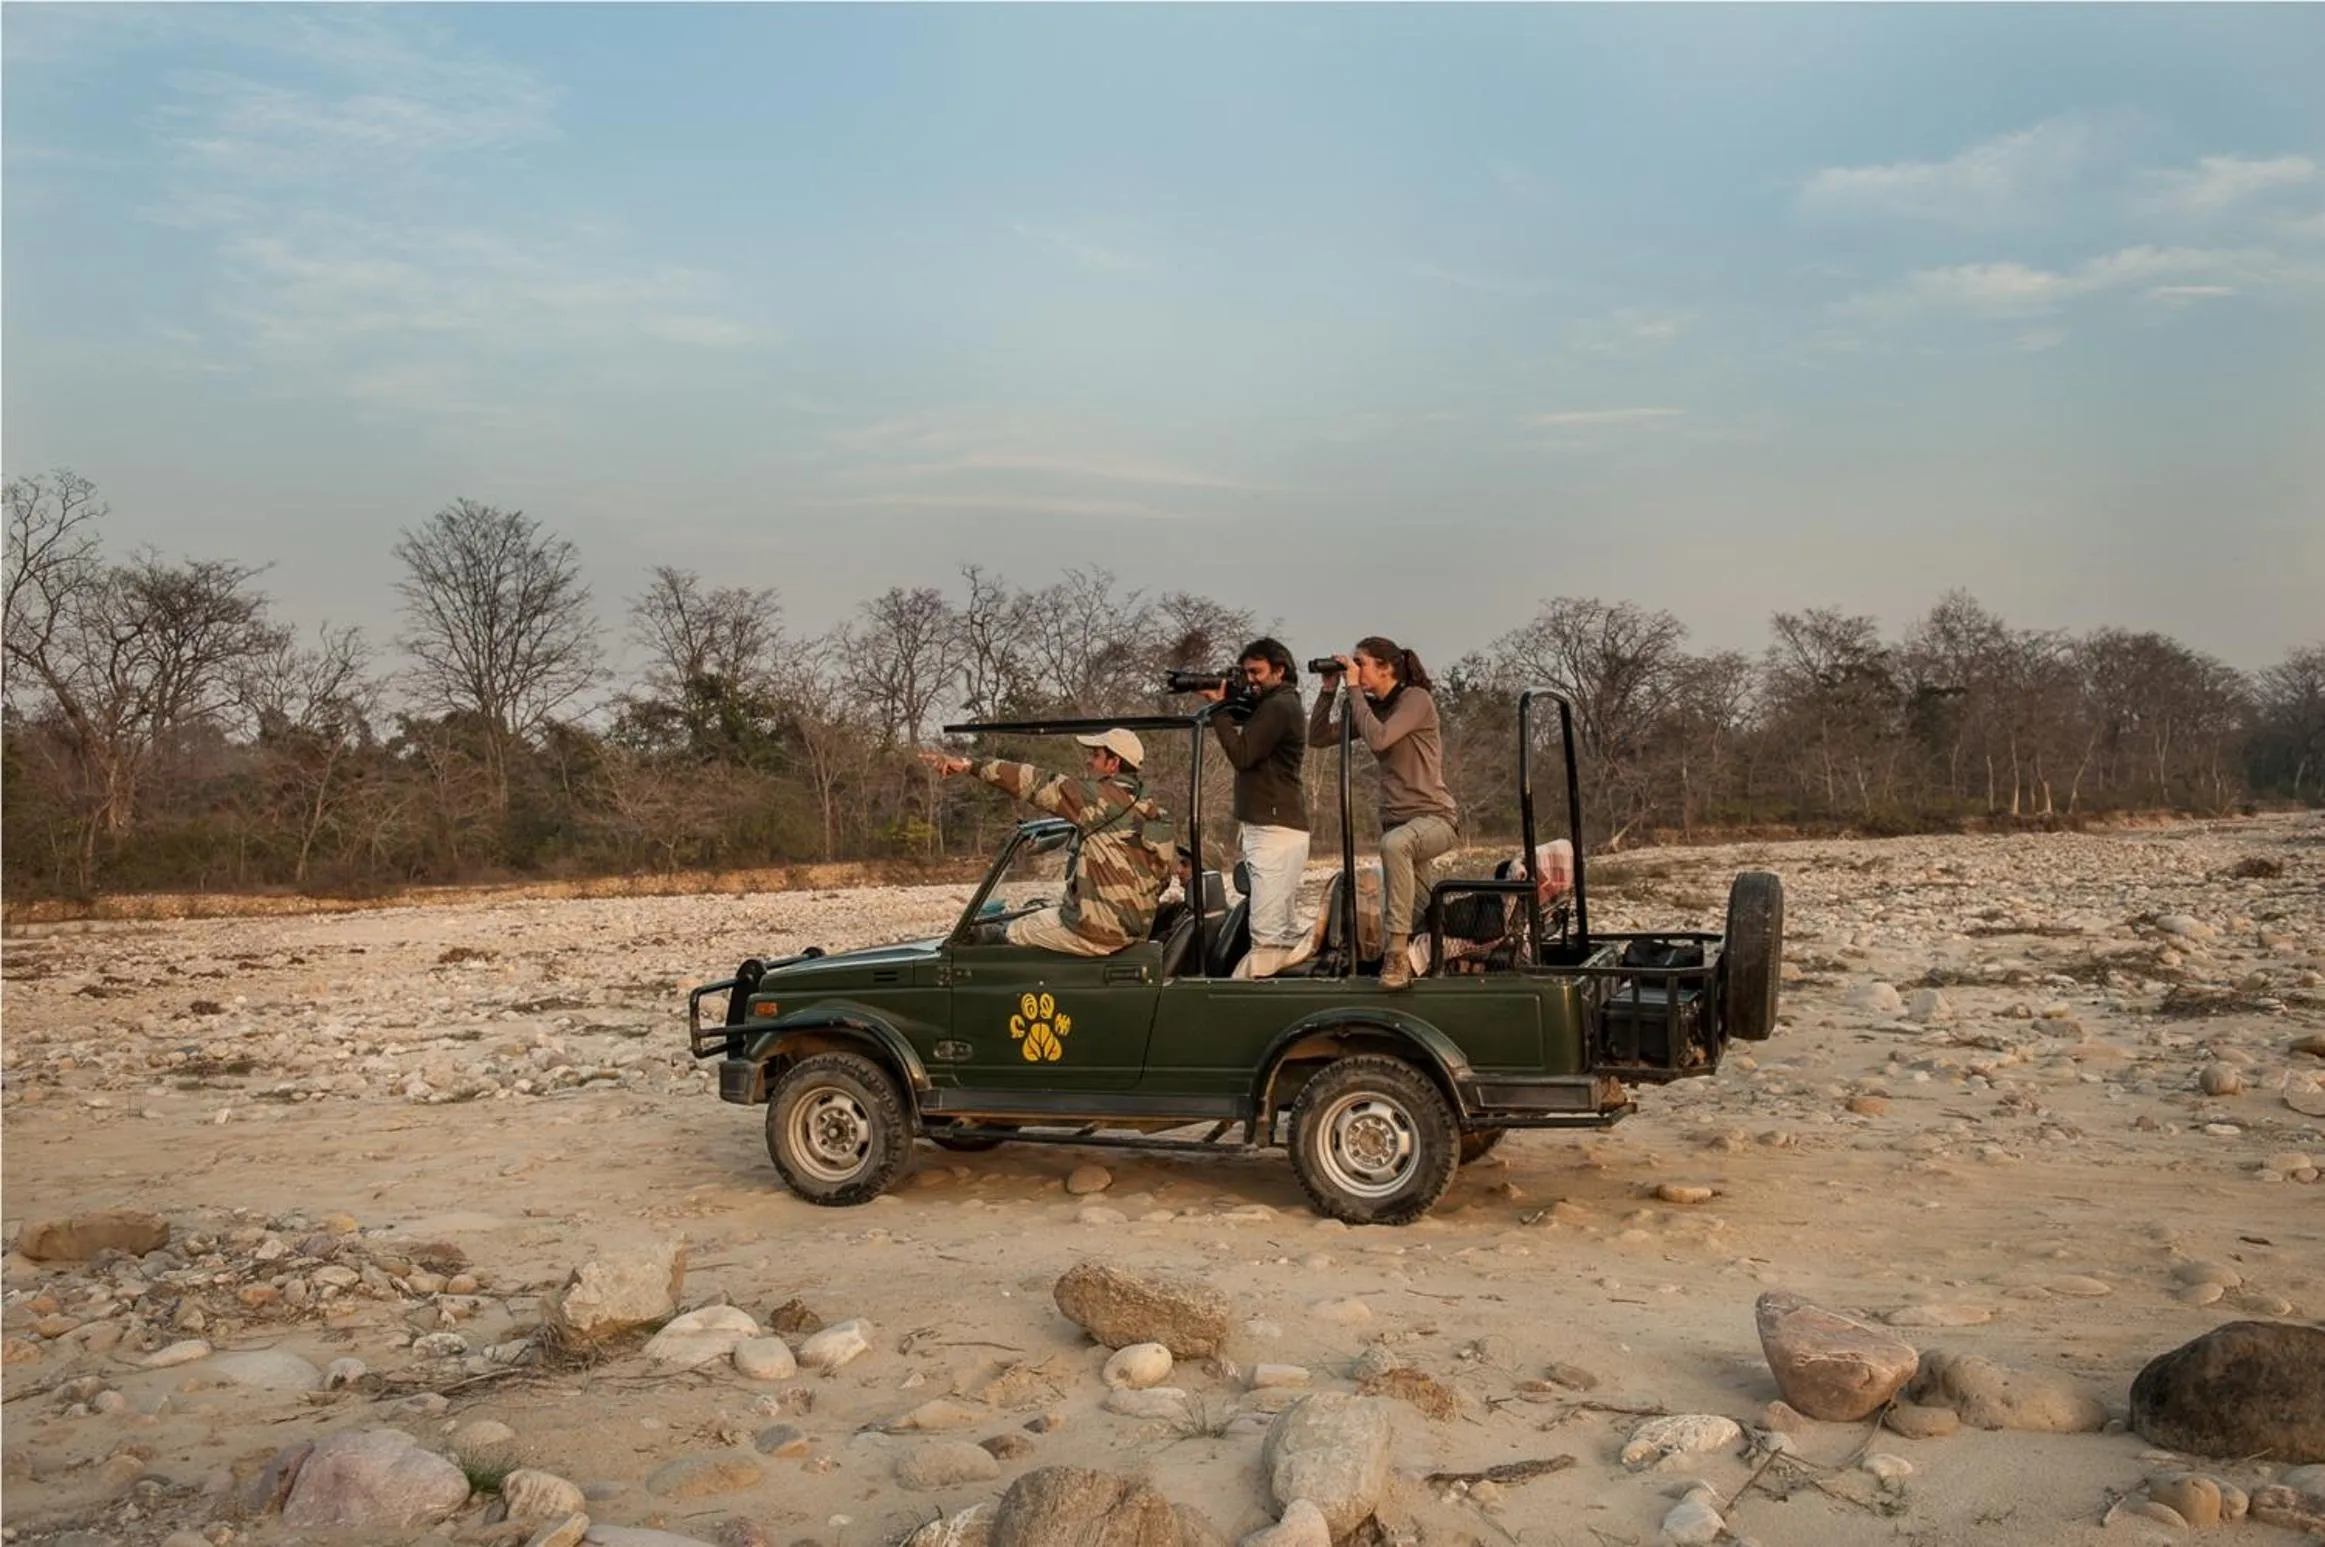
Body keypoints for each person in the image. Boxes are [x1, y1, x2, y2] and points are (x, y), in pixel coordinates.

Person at [918, 728, 1175, 957]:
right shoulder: (1154, 811)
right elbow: (1162, 878)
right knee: (1042, 916)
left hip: (1098, 932)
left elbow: (1032, 781)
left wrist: (968, 765)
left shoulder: (1096, 799)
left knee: (1009, 933)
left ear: (1114, 763)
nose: (1089, 761)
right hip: (1134, 930)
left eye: (1096, 755)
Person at [1308, 635, 1459, 988]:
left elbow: (1379, 739)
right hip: (1399, 824)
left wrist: (1354, 691)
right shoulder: (1375, 709)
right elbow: (1317, 737)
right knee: (1423, 913)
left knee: (1394, 845)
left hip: (1435, 819)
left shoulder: (1415, 700)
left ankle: (1396, 956)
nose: (1354, 669)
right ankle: (1440, 969)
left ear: (1386, 667)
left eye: (1360, 663)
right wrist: (1329, 691)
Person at [1195, 637, 1310, 977]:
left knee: (1269, 932)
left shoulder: (1279, 706)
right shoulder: (1280, 704)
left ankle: (1256, 997)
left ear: (1280, 669)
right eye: (1246, 674)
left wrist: (1218, 710)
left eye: (1257, 672)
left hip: (1274, 827)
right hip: (1276, 824)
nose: (1251, 680)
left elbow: (1243, 755)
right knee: (1280, 925)